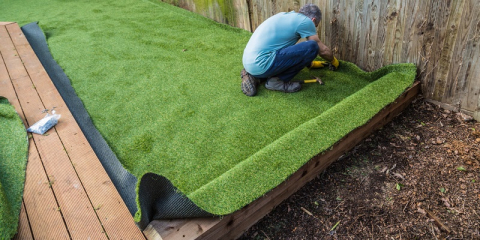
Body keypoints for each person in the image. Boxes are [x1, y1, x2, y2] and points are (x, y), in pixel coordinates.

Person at [241, 4, 339, 96]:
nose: (314, 29)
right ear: (313, 20)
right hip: (262, 62)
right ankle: (276, 81)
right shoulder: (307, 22)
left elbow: (286, 50)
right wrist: (333, 61)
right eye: (316, 26)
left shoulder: (285, 16)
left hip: (248, 61)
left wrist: (310, 64)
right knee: (313, 46)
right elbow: (322, 50)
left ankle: (255, 76)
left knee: (303, 47)